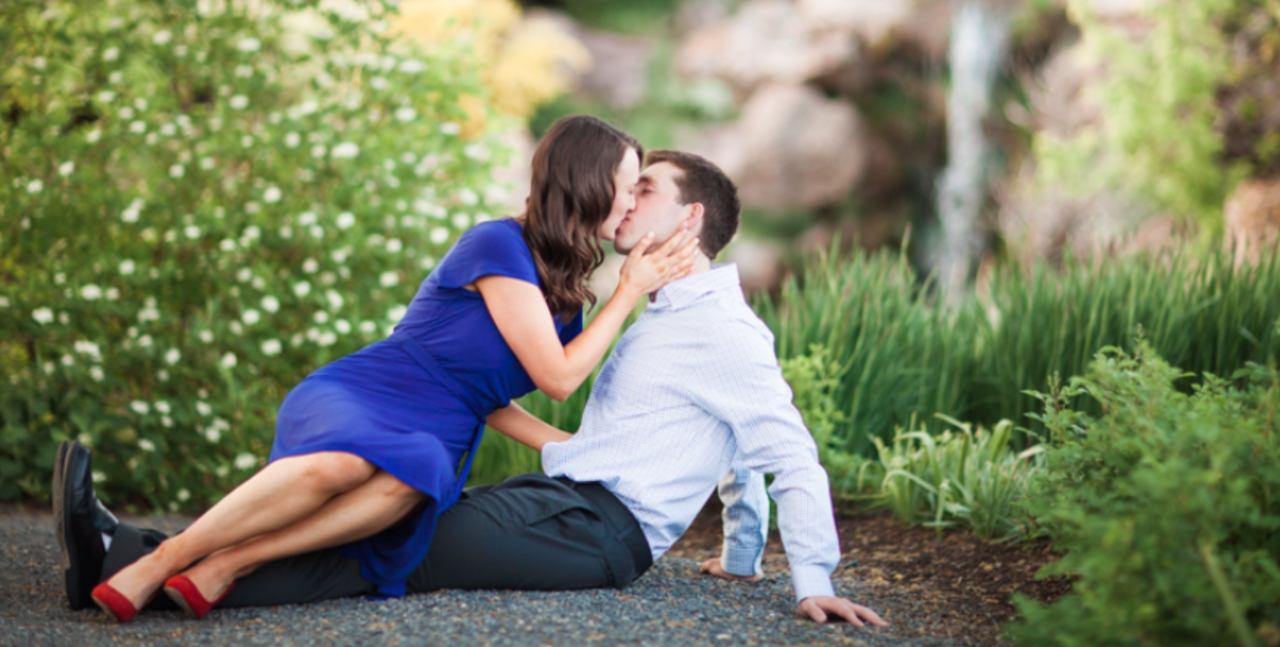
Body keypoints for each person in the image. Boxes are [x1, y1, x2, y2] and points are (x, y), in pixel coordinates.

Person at [58, 149, 889, 627]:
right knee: (395, 507)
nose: (626, 200)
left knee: (401, 541)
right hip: (567, 504)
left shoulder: (723, 330)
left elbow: (784, 450)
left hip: (596, 532)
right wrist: (742, 556)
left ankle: (123, 554)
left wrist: (813, 579)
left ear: (691, 221)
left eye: (646, 189)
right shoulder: (665, 310)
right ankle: (149, 554)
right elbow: (737, 447)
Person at [86, 116, 700, 622]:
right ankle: (168, 556)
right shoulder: (498, 245)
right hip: (377, 389)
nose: (628, 202)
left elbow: (485, 396)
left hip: (439, 430)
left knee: (420, 472)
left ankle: (236, 560)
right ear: (588, 181)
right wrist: (629, 292)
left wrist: (572, 449)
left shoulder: (564, 295)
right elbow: (560, 379)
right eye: (627, 184)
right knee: (345, 462)